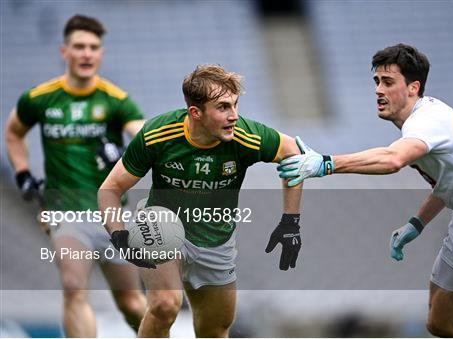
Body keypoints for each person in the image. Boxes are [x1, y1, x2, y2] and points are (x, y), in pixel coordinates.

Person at [277, 43, 453, 337]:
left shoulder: (427, 122)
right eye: (376, 81)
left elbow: (393, 160)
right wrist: (417, 223)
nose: (378, 90)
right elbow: (447, 182)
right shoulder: (419, 122)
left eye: (388, 82)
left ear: (413, 88)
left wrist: (325, 164)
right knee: (440, 324)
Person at [98, 64, 303, 337]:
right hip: (160, 225)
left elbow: (294, 155)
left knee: (215, 329)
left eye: (235, 105)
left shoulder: (247, 136)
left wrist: (290, 221)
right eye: (223, 107)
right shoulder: (158, 134)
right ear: (195, 112)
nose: (234, 116)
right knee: (165, 305)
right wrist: (119, 235)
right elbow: (109, 189)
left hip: (215, 238)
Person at [4, 14, 147, 337]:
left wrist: (125, 155)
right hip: (65, 212)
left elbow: (144, 139)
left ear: (101, 54)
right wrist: (23, 172)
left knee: (130, 302)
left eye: (93, 47)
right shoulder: (39, 98)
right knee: (73, 286)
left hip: (112, 215)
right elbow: (13, 133)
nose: (86, 53)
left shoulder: (115, 100)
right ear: (64, 51)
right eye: (79, 46)